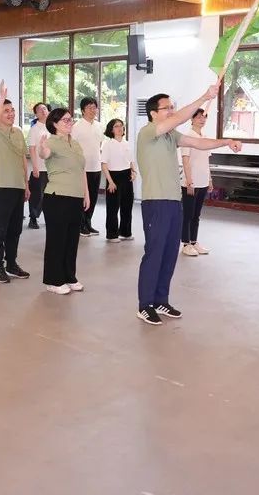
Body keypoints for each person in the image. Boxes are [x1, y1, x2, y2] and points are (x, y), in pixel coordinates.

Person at [136, 89, 243, 325]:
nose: (172, 111)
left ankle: (160, 299)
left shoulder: (171, 135)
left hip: (174, 201)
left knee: (169, 253)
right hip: (156, 202)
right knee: (154, 253)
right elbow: (180, 119)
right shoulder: (147, 132)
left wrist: (226, 141)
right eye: (167, 108)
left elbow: (198, 142)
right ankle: (145, 305)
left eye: (173, 107)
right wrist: (204, 97)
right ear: (154, 113)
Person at [37, 108, 90, 295]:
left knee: (71, 240)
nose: (69, 122)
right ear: (54, 124)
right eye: (65, 120)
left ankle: (69, 276)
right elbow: (44, 154)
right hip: (57, 197)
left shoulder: (75, 144)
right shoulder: (52, 142)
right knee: (57, 240)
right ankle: (53, 280)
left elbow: (81, 170)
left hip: (76, 197)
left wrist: (86, 194)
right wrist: (41, 148)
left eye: (70, 119)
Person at [0, 84, 31, 283]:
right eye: (6, 110)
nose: (11, 113)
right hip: (1, 187)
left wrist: (26, 184)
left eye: (12, 110)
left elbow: (23, 159)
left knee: (15, 230)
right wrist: (2, 99)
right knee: (0, 230)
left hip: (18, 187)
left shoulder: (19, 132)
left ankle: (11, 264)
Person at [180, 108, 214, 256]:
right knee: (187, 214)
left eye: (204, 117)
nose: (202, 119)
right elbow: (185, 160)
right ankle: (186, 243)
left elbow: (206, 160)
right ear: (192, 119)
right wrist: (189, 181)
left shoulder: (205, 136)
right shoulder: (187, 136)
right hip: (191, 182)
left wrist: (210, 179)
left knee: (196, 215)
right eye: (199, 117)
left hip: (203, 181)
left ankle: (194, 241)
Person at [71, 97, 104, 236]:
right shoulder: (76, 127)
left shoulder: (99, 126)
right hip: (82, 169)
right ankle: (80, 225)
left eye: (94, 107)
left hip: (96, 166)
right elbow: (71, 146)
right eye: (89, 107)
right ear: (83, 110)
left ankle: (88, 223)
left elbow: (101, 145)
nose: (93, 110)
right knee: (83, 198)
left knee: (94, 197)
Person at [100, 118, 136, 243]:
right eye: (116, 126)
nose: (120, 128)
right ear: (111, 129)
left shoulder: (126, 143)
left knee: (127, 205)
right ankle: (112, 235)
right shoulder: (108, 144)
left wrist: (133, 171)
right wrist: (110, 181)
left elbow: (131, 161)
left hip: (126, 175)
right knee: (113, 207)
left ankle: (126, 232)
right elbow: (104, 164)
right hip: (113, 176)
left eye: (121, 126)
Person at [26, 102, 50, 229]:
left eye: (45, 108)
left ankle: (50, 217)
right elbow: (32, 149)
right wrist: (35, 167)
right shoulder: (35, 129)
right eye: (40, 110)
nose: (43, 111)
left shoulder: (53, 128)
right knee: (37, 195)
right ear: (36, 114)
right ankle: (33, 218)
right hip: (39, 167)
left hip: (52, 168)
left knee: (51, 195)